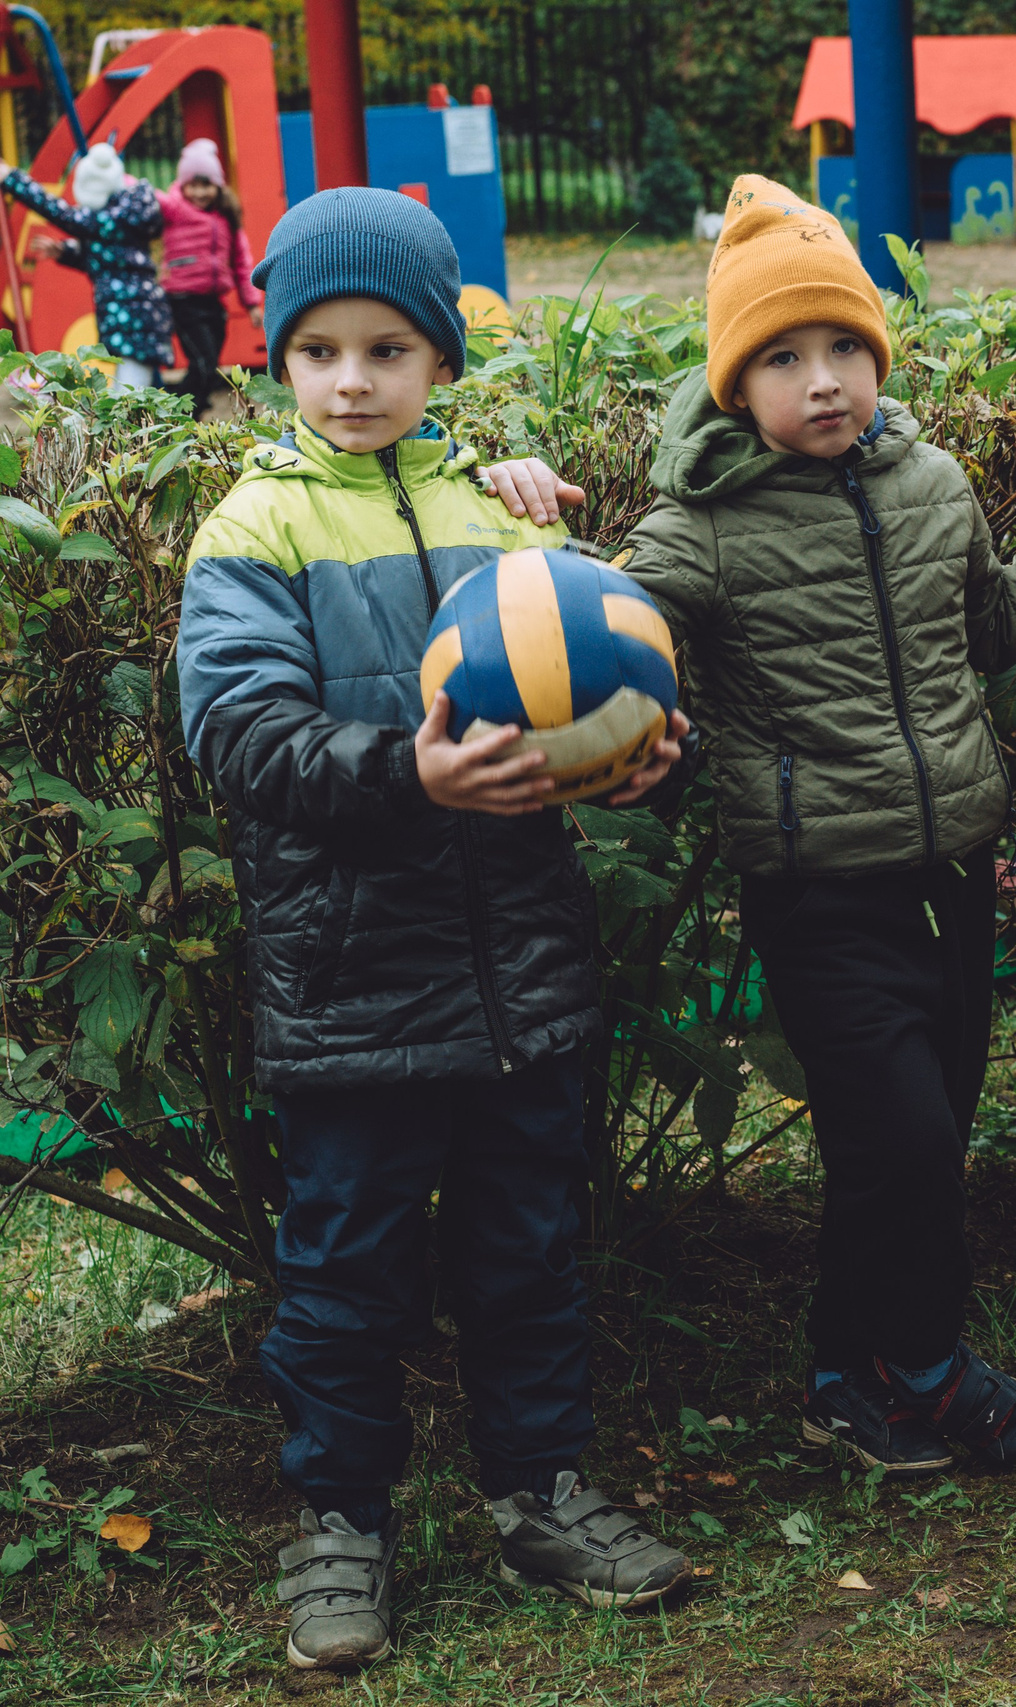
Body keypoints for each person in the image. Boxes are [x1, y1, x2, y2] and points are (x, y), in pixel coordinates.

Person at [175, 188, 693, 1671]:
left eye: (388, 348)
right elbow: (244, 738)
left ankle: (541, 1491)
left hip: (521, 971)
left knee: (531, 1245)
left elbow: (607, 687)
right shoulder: (255, 527)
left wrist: (660, 757)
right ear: (279, 361)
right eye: (320, 350)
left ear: (442, 359)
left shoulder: (500, 514)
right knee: (345, 1269)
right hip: (352, 981)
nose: (352, 380)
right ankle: (342, 1524)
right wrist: (412, 771)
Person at [619, 176, 1016, 1477]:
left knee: (903, 1147)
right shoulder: (698, 530)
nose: (821, 380)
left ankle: (846, 1374)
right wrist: (519, 524)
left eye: (842, 349)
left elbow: (984, 628)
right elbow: (589, 630)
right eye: (781, 356)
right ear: (733, 381)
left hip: (953, 871)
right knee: (912, 1144)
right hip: (822, 891)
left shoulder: (929, 477)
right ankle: (935, 1373)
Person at [4, 141, 171, 389]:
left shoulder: (116, 216)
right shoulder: (124, 217)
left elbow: (61, 214)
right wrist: (67, 252)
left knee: (130, 393)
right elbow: (114, 259)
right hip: (133, 314)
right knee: (132, 388)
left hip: (133, 318)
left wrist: (12, 179)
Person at [158, 137, 263, 414]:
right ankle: (182, 409)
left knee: (209, 366)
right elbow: (149, 196)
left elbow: (241, 262)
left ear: (218, 186)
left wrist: (251, 303)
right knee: (204, 363)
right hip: (183, 300)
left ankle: (185, 406)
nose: (199, 193)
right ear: (183, 185)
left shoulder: (226, 217)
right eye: (192, 185)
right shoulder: (175, 208)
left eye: (206, 185)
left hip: (214, 303)